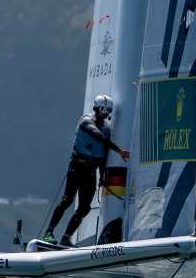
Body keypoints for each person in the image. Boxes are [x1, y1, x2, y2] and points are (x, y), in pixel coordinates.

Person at [42, 94, 130, 246]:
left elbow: (103, 156)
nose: (106, 114)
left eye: (109, 111)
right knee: (67, 200)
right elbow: (97, 136)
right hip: (77, 167)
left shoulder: (106, 130)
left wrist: (102, 176)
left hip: (90, 171)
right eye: (104, 110)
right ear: (98, 108)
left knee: (84, 208)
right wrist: (119, 150)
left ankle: (66, 237)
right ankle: (49, 232)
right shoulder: (86, 121)